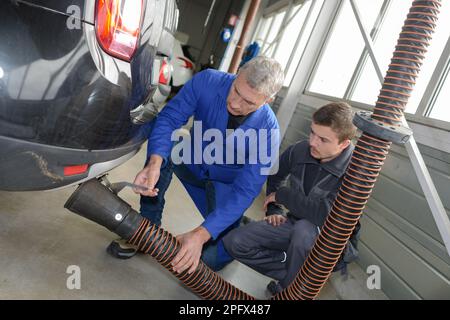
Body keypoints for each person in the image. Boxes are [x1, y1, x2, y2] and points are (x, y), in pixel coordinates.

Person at [107, 56, 285, 275]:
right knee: (166, 148)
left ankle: (236, 223)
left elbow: (246, 190)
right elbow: (169, 119)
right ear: (237, 72)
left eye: (249, 103)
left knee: (207, 261)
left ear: (268, 100)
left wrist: (201, 234)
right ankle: (147, 228)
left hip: (225, 185)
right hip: (193, 162)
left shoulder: (269, 132)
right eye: (236, 91)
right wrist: (154, 162)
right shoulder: (207, 81)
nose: (235, 103)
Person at [223, 102, 358, 295]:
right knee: (235, 242)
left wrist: (284, 195)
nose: (312, 142)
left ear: (344, 143)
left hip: (329, 240)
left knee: (304, 231)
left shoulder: (356, 172)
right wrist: (275, 209)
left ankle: (290, 288)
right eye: (312, 133)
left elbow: (326, 215)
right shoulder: (300, 150)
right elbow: (276, 177)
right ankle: (294, 276)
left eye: (323, 139)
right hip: (293, 223)